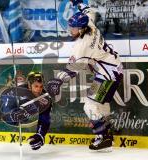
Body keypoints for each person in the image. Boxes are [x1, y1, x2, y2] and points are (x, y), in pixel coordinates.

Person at [47, 0, 123, 151]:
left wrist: (58, 80)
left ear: (81, 30)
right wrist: (79, 2)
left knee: (89, 106)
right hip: (112, 69)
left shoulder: (82, 46)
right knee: (101, 104)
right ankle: (107, 135)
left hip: (108, 75)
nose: (71, 31)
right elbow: (88, 10)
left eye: (73, 28)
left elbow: (72, 69)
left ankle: (103, 138)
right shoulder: (89, 23)